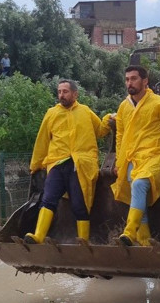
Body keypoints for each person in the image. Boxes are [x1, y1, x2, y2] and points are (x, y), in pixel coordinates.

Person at [23, 80, 113, 244]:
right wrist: (36, 165)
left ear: (75, 94)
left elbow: (99, 130)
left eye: (65, 91)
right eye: (59, 92)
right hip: (57, 163)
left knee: (80, 203)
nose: (61, 95)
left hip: (80, 164)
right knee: (48, 198)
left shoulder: (85, 111)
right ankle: (38, 236)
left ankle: (83, 241)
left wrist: (108, 119)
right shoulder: (51, 113)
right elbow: (42, 140)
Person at [112, 65, 160, 246]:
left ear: (145, 81)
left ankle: (129, 231)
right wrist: (120, 162)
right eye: (127, 79)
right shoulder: (124, 107)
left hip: (156, 154)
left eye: (134, 78)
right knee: (137, 192)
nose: (130, 82)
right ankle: (145, 240)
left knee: (139, 184)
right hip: (132, 158)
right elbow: (120, 135)